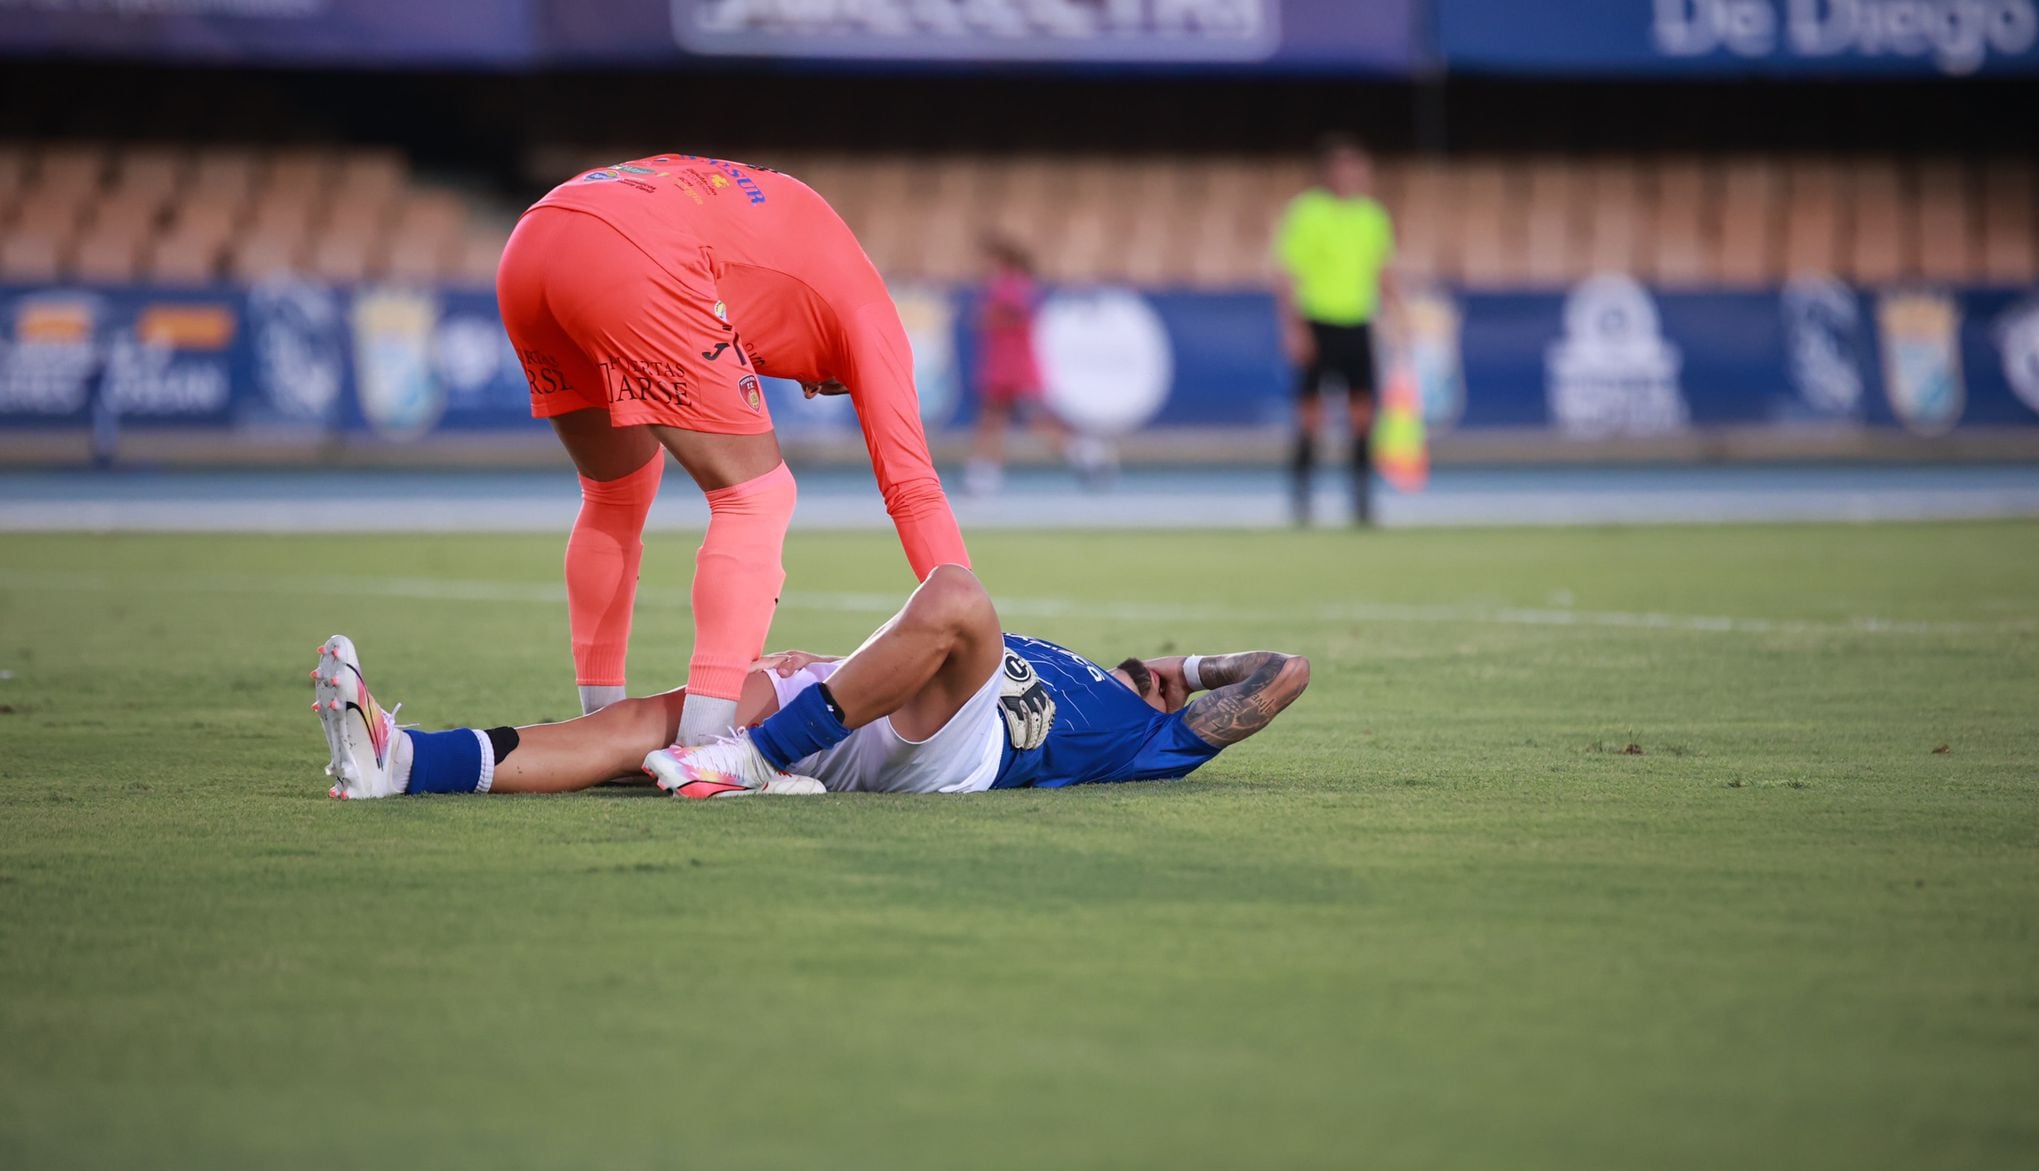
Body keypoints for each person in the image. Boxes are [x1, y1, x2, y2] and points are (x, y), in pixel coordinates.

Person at [495, 153, 970, 745]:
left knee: (617, 490)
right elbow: (913, 488)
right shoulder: (874, 321)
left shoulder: (802, 240)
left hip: (536, 239)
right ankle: (708, 748)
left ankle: (599, 727)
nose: (812, 388)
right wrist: (972, 630)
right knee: (757, 497)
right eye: (831, 384)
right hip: (633, 253)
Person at [309, 567, 1309, 801]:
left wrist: (1181, 678)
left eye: (1167, 674)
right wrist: (822, 660)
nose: (1153, 665)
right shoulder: (1073, 659)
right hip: (860, 693)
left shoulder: (1151, 739)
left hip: (956, 747)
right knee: (643, 721)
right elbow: (909, 647)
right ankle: (400, 760)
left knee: (958, 590)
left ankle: (750, 761)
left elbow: (1283, 673)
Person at [1273, 134, 1400, 526]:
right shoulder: (1308, 213)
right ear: (1328, 173)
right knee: (1310, 416)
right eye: (1344, 168)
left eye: (1358, 169)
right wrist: (1294, 327)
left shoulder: (1372, 216)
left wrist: (1400, 315)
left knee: (1362, 415)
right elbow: (1289, 274)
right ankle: (1302, 502)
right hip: (1318, 320)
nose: (1351, 176)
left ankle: (1362, 503)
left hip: (1357, 323)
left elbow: (1382, 271)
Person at [965, 234, 1113, 497]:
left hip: (1015, 367)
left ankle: (1085, 452)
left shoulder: (1012, 286)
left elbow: (1014, 313)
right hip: (1002, 366)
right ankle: (984, 475)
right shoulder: (1005, 287)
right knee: (992, 422)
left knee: (1036, 422)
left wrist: (990, 317)